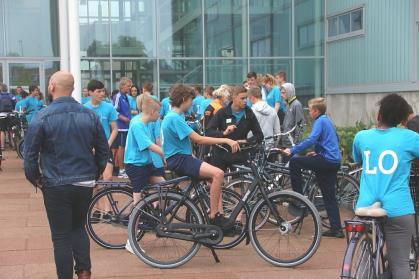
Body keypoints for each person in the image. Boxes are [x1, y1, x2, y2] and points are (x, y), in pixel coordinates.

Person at [24, 71, 109, 279]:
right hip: (84, 181)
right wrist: (94, 174)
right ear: (72, 89)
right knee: (79, 228)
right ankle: (84, 272)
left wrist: (36, 179)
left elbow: (30, 156)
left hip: (55, 183)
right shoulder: (90, 115)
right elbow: (103, 150)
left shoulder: (42, 116)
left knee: (61, 237)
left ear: (52, 86)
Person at [352, 94, 419, 279]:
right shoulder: (410, 137)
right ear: (401, 119)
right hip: (397, 207)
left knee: (366, 250)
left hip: (365, 205)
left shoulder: (361, 136)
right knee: (400, 264)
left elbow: (358, 159)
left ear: (379, 115)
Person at [161, 84, 240, 231]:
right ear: (184, 99)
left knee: (213, 180)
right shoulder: (174, 118)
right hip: (180, 159)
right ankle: (214, 216)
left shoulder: (174, 116)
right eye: (191, 100)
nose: (192, 103)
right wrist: (226, 140)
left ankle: (219, 215)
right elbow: (199, 139)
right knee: (218, 173)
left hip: (180, 158)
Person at [282, 97, 343, 238]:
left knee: (295, 162)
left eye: (310, 110)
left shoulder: (320, 121)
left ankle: (298, 197)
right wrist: (319, 151)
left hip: (326, 160)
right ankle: (336, 229)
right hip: (333, 161)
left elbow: (311, 139)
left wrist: (293, 150)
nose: (309, 113)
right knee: (329, 197)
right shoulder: (327, 120)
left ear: (316, 111)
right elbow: (335, 139)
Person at [206, 85, 264, 171]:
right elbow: (209, 131)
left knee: (239, 182)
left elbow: (259, 135)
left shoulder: (249, 113)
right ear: (234, 98)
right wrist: (223, 133)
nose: (245, 101)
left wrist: (245, 141)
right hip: (221, 152)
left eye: (246, 98)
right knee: (217, 180)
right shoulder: (222, 112)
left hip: (239, 154)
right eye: (242, 98)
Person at [84, 80, 118, 181]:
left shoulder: (109, 107)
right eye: (98, 91)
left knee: (108, 178)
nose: (102, 94)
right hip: (90, 149)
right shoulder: (84, 109)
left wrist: (107, 144)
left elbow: (115, 129)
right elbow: (83, 131)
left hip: (104, 147)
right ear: (90, 92)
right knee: (93, 182)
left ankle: (106, 196)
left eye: (103, 91)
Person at [112, 77, 133, 178]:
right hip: (121, 127)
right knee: (121, 148)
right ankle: (121, 170)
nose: (130, 88)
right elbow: (114, 111)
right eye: (128, 86)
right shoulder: (118, 96)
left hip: (126, 127)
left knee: (124, 148)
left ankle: (123, 169)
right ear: (122, 86)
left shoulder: (125, 97)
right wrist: (125, 119)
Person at [0, 83, 17, 150]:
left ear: (1, 88)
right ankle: (13, 145)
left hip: (1, 115)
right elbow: (15, 103)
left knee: (2, 131)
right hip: (11, 114)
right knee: (11, 130)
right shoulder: (11, 95)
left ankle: (2, 146)